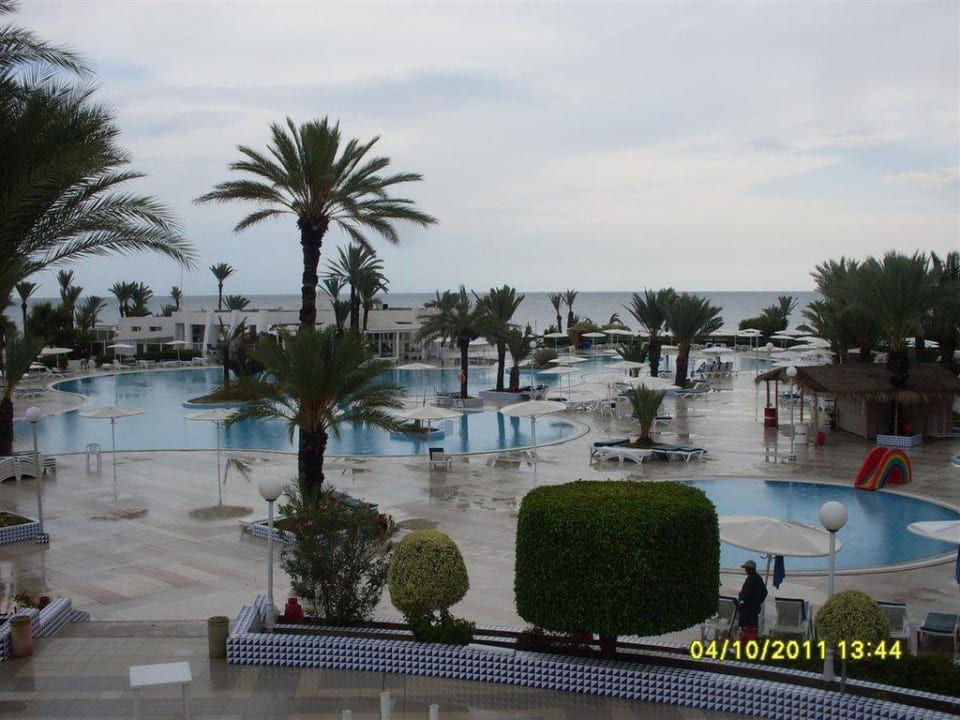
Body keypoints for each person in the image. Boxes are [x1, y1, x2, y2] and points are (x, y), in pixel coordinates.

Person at [737, 559, 768, 641]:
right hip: (754, 607)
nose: (745, 570)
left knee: (748, 626)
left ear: (751, 569)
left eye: (746, 568)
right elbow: (764, 592)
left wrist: (741, 595)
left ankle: (747, 640)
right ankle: (750, 640)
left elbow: (746, 593)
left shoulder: (752, 579)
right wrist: (759, 602)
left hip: (749, 608)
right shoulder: (757, 578)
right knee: (752, 626)